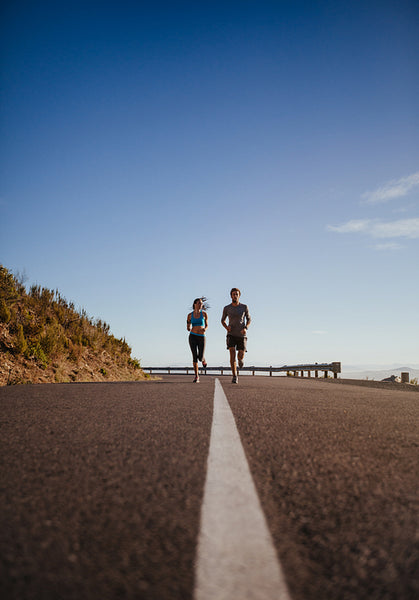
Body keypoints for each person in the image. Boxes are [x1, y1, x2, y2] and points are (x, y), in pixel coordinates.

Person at [221, 288, 251, 384]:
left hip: (241, 334)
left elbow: (249, 319)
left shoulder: (244, 307)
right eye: (233, 294)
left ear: (239, 295)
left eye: (236, 294)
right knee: (232, 353)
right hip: (231, 334)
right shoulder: (227, 308)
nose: (235, 296)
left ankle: (240, 359)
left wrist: (246, 328)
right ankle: (234, 376)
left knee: (240, 354)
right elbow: (222, 320)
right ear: (231, 296)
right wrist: (226, 327)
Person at [187, 298, 208, 383]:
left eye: (201, 303)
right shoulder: (189, 315)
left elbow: (207, 325)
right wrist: (188, 327)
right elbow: (188, 323)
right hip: (192, 336)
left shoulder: (204, 314)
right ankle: (196, 376)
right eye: (199, 303)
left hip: (201, 337)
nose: (200, 304)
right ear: (195, 304)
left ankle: (203, 359)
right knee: (194, 356)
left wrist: (205, 329)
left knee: (200, 357)